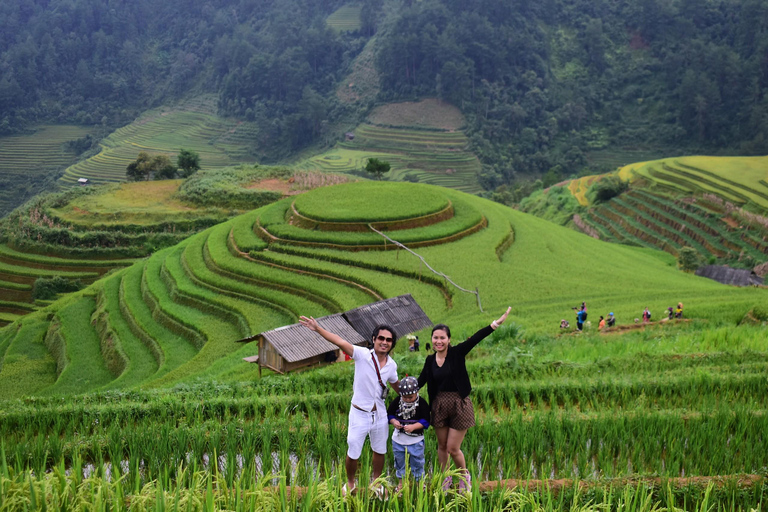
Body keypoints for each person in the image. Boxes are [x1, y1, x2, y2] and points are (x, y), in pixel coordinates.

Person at [299, 316, 400, 497]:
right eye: (381, 338)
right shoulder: (362, 354)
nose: (384, 342)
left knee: (380, 450)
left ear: (392, 344)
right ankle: (351, 483)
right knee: (353, 450)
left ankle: (377, 483)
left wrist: (412, 394)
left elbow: (396, 385)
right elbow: (339, 340)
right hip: (359, 413)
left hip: (380, 415)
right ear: (374, 340)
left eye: (388, 340)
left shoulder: (392, 366)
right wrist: (318, 328)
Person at [417, 307, 511, 493]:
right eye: (435, 337)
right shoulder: (429, 361)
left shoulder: (457, 353)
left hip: (459, 403)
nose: (438, 341)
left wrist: (495, 324)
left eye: (442, 338)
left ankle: (463, 477)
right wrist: (400, 387)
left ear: (449, 340)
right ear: (432, 339)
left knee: (453, 448)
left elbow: (476, 338)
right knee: (442, 446)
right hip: (439, 405)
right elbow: (420, 382)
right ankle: (445, 479)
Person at [387, 376, 430, 492]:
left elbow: (426, 420)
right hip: (398, 440)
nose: (408, 400)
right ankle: (401, 484)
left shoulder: (421, 403)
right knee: (399, 463)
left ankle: (419, 483)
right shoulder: (397, 402)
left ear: (417, 392)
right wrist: (394, 422)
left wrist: (414, 427)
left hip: (415, 441)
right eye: (405, 398)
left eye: (410, 397)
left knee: (417, 462)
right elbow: (389, 414)